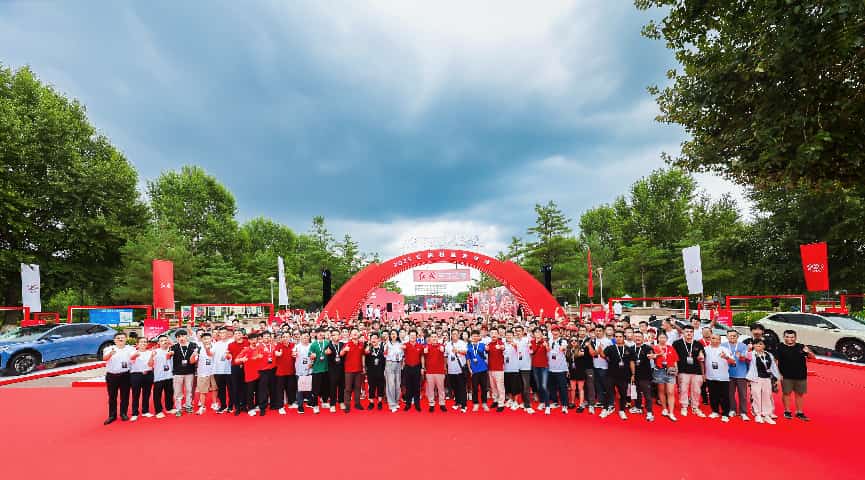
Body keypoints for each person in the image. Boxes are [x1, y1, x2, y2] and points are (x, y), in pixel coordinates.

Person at [776, 330, 814, 421]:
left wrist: (808, 352)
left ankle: (799, 412)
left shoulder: (801, 346)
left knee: (799, 394)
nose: (790, 339)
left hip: (801, 375)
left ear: (795, 338)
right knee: (786, 393)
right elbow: (775, 361)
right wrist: (778, 374)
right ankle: (787, 411)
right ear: (784, 337)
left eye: (792, 337)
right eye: (787, 337)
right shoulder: (780, 347)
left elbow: (813, 357)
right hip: (786, 375)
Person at [672, 326, 706, 418]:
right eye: (687, 331)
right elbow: (673, 357)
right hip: (683, 370)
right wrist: (675, 370)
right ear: (683, 332)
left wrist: (703, 373)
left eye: (691, 332)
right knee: (683, 389)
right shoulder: (677, 343)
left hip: (696, 371)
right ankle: (684, 406)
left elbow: (702, 358)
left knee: (696, 390)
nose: (689, 333)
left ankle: (695, 407)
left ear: (693, 333)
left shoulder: (698, 344)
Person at [600, 330, 634, 420]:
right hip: (611, 375)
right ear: (614, 338)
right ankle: (605, 409)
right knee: (608, 392)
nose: (618, 338)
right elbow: (603, 355)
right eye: (617, 337)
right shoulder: (610, 348)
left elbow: (631, 362)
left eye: (620, 336)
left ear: (624, 338)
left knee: (623, 394)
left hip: (624, 376)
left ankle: (622, 410)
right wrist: (600, 349)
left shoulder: (629, 349)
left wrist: (633, 374)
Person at [103, 332, 135, 425]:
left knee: (125, 396)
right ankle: (112, 416)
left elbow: (134, 357)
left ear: (126, 339)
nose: (120, 339)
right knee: (112, 396)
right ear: (114, 340)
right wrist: (110, 354)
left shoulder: (130, 348)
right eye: (118, 338)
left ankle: (123, 413)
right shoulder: (109, 348)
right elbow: (104, 358)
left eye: (122, 338)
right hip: (112, 375)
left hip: (125, 375)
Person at [746, 339, 781, 424]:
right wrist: (748, 349)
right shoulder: (751, 354)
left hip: (767, 378)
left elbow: (773, 367)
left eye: (760, 344)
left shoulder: (769, 354)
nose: (758, 345)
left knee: (767, 396)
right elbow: (745, 357)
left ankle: (766, 415)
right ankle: (758, 414)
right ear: (753, 345)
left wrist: (777, 378)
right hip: (755, 378)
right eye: (756, 344)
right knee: (756, 396)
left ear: (764, 346)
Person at [703, 333, 736, 422]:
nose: (715, 340)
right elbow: (701, 360)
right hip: (710, 376)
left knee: (724, 396)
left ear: (720, 341)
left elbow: (733, 362)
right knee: (713, 395)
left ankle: (725, 414)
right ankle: (715, 411)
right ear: (710, 339)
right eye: (713, 338)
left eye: (717, 339)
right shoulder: (705, 349)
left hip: (723, 377)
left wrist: (726, 357)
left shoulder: (725, 349)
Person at [649, 331, 679, 421]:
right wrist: (659, 354)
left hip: (670, 370)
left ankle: (671, 412)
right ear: (658, 338)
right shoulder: (654, 347)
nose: (662, 339)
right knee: (661, 390)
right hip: (659, 371)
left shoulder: (670, 348)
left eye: (664, 338)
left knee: (670, 392)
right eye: (661, 337)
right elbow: (650, 356)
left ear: (667, 339)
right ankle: (665, 408)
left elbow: (675, 360)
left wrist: (676, 369)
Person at [722, 330, 750, 421]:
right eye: (730, 336)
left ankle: (743, 412)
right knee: (730, 393)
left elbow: (745, 358)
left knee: (743, 394)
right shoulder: (723, 346)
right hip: (728, 373)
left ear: (737, 337)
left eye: (734, 336)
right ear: (727, 337)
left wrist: (741, 356)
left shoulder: (743, 346)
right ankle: (732, 409)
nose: (732, 337)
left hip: (741, 374)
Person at [170, 329, 198, 417]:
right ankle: (178, 408)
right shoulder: (174, 347)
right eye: (178, 337)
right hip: (177, 373)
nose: (181, 338)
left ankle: (188, 406)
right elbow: (169, 356)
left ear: (187, 336)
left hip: (190, 372)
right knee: (177, 391)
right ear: (176, 338)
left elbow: (196, 357)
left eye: (183, 336)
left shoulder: (193, 345)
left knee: (189, 390)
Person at [630, 331, 654, 421]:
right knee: (636, 393)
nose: (637, 338)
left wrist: (653, 356)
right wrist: (632, 374)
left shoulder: (648, 348)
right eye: (636, 336)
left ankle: (649, 412)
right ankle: (638, 407)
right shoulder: (631, 349)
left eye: (639, 336)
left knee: (647, 395)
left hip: (645, 375)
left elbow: (653, 355)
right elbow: (631, 362)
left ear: (643, 338)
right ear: (633, 338)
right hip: (635, 375)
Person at [129, 336, 154, 421]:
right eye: (141, 342)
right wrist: (135, 355)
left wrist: (152, 356)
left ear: (147, 344)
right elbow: (131, 359)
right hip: (136, 375)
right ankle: (135, 413)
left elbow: (151, 365)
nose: (143, 343)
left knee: (146, 394)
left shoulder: (150, 352)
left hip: (148, 375)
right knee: (136, 395)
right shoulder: (133, 352)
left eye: (145, 342)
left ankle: (145, 411)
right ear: (137, 344)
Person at [465, 329, 490, 412]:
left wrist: (487, 349)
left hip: (483, 369)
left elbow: (488, 352)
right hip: (474, 371)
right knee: (475, 388)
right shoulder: (468, 346)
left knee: (484, 388)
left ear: (479, 337)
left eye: (476, 336)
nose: (475, 337)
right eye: (473, 336)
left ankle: (484, 403)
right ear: (471, 337)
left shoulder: (483, 345)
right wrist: (470, 369)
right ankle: (475, 404)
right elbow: (468, 359)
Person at [423, 331, 447, 412]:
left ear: (437, 338)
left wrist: (442, 348)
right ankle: (431, 404)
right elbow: (424, 354)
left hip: (440, 372)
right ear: (430, 338)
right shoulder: (426, 346)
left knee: (441, 389)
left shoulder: (441, 346)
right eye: (432, 337)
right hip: (430, 372)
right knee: (430, 389)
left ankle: (442, 404)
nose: (434, 338)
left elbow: (443, 350)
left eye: (435, 337)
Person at [342, 328, 365, 412]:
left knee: (357, 388)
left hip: (359, 370)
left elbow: (363, 355)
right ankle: (347, 405)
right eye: (353, 332)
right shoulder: (347, 344)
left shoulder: (361, 344)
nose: (355, 333)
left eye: (356, 332)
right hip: (349, 370)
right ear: (350, 335)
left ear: (359, 334)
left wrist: (363, 366)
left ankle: (357, 404)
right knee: (348, 389)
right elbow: (341, 354)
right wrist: (344, 350)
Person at [547, 326, 569, 414]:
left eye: (557, 331)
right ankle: (555, 402)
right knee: (552, 387)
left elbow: (564, 348)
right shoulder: (549, 341)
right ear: (551, 332)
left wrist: (562, 347)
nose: (555, 332)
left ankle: (564, 404)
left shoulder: (563, 341)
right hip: (550, 368)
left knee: (562, 387)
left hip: (561, 369)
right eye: (553, 331)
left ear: (560, 332)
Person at [151, 335, 174, 419]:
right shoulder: (155, 352)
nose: (164, 342)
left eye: (165, 340)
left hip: (169, 376)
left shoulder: (172, 350)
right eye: (162, 341)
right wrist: (152, 356)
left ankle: (169, 408)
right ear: (158, 343)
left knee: (169, 393)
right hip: (159, 377)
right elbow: (150, 364)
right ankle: (158, 411)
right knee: (157, 395)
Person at [194, 332, 217, 415]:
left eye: (208, 338)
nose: (206, 340)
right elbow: (193, 361)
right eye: (204, 339)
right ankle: (202, 406)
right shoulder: (198, 348)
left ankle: (214, 403)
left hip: (213, 371)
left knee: (214, 389)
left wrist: (208, 349)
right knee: (202, 391)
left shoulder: (215, 346)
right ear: (201, 340)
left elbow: (212, 355)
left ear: (211, 339)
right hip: (202, 372)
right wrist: (193, 356)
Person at [445, 329, 468, 413]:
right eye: (453, 334)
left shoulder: (462, 343)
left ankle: (464, 405)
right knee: (454, 387)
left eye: (456, 334)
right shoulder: (448, 344)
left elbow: (465, 352)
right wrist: (445, 367)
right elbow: (445, 356)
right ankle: (457, 402)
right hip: (451, 369)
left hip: (460, 369)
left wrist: (457, 351)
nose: (454, 335)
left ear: (458, 335)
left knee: (462, 387)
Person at [274, 332, 297, 414]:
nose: (285, 338)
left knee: (291, 388)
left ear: (290, 337)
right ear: (281, 338)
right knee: (280, 390)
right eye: (283, 336)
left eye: (287, 336)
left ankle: (291, 402)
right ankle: (280, 406)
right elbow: (275, 353)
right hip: (280, 372)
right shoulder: (278, 346)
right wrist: (277, 354)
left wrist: (296, 355)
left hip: (291, 371)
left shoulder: (293, 345)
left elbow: (297, 355)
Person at [212, 327, 233, 413]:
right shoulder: (216, 344)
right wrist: (207, 348)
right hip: (218, 370)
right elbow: (211, 353)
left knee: (231, 389)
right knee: (221, 389)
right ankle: (223, 405)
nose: (222, 334)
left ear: (228, 333)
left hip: (229, 370)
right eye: (220, 333)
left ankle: (231, 406)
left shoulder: (231, 342)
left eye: (224, 332)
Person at [308, 330, 331, 410]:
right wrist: (312, 355)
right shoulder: (313, 344)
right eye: (319, 333)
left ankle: (325, 402)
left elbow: (331, 352)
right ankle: (315, 404)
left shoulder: (327, 343)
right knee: (316, 388)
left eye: (322, 333)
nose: (321, 334)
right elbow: (309, 354)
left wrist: (329, 352)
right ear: (316, 334)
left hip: (326, 369)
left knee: (325, 387)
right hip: (316, 369)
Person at [529, 327, 550, 415]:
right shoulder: (531, 342)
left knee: (544, 386)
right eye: (536, 332)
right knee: (538, 386)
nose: (537, 333)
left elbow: (549, 351)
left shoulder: (545, 341)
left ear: (542, 333)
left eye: (539, 332)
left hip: (544, 366)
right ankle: (542, 402)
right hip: (535, 366)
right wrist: (531, 346)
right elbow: (531, 352)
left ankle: (547, 405)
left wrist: (546, 346)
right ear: (533, 334)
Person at [293, 332, 315, 414]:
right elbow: (293, 354)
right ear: (300, 337)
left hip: (310, 369)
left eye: (307, 336)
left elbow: (314, 356)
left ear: (309, 337)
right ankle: (300, 406)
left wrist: (312, 363)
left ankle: (310, 402)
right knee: (300, 389)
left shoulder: (312, 346)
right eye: (303, 336)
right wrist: (294, 354)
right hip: (300, 370)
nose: (305, 338)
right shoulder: (297, 346)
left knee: (309, 388)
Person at [514, 325, 534, 414]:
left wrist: (530, 346)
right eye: (516, 331)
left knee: (526, 386)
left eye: (519, 331)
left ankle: (528, 405)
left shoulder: (527, 340)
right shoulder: (513, 341)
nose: (518, 332)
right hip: (516, 367)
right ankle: (523, 402)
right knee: (521, 386)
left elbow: (532, 351)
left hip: (526, 366)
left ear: (523, 332)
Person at [227, 329, 248, 416]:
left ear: (242, 334)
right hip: (235, 367)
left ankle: (244, 406)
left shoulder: (247, 343)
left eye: (239, 333)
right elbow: (228, 356)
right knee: (235, 388)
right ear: (234, 336)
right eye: (236, 333)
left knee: (245, 387)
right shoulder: (230, 345)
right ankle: (237, 407)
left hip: (246, 367)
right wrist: (227, 356)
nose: (238, 334)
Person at [402, 330, 424, 412]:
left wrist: (422, 367)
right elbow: (402, 355)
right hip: (407, 367)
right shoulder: (405, 345)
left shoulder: (420, 346)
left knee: (417, 387)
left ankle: (417, 404)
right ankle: (408, 404)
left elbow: (422, 357)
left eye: (414, 335)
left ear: (416, 336)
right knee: (408, 387)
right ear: (409, 336)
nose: (412, 337)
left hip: (417, 367)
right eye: (411, 335)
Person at [364, 332, 386, 410]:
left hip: (381, 370)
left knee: (380, 386)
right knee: (371, 387)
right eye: (372, 338)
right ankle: (371, 402)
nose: (374, 340)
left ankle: (379, 402)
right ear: (370, 340)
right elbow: (365, 352)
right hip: (371, 371)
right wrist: (369, 344)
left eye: (375, 338)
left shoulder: (382, 348)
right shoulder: (369, 348)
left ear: (378, 339)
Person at [325, 330, 345, 413]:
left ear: (340, 336)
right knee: (332, 387)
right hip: (332, 369)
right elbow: (325, 353)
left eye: (337, 335)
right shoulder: (328, 345)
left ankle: (341, 401)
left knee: (342, 386)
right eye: (334, 335)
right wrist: (326, 352)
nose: (336, 336)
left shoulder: (342, 345)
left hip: (342, 368)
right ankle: (332, 404)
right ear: (331, 336)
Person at [384, 329, 404, 412]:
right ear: (390, 335)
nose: (393, 335)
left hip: (398, 364)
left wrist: (401, 363)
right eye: (392, 334)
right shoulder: (387, 344)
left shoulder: (400, 344)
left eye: (395, 334)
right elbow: (384, 355)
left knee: (397, 384)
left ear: (397, 335)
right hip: (389, 363)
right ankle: (391, 404)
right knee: (391, 384)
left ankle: (396, 401)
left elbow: (402, 355)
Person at [486, 327, 506, 411]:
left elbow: (503, 348)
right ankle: (495, 400)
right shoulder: (489, 344)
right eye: (492, 333)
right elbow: (486, 352)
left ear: (498, 334)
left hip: (499, 369)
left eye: (495, 333)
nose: (493, 335)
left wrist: (501, 347)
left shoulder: (501, 343)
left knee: (500, 387)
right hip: (490, 368)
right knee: (493, 387)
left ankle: (501, 403)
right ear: (490, 334)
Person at [503, 329, 522, 411]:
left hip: (514, 369)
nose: (508, 336)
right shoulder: (504, 344)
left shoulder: (517, 343)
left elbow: (521, 355)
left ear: (513, 336)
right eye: (507, 335)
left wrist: (516, 347)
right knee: (508, 386)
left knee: (515, 387)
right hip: (506, 368)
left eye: (510, 335)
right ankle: (510, 399)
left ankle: (516, 402)